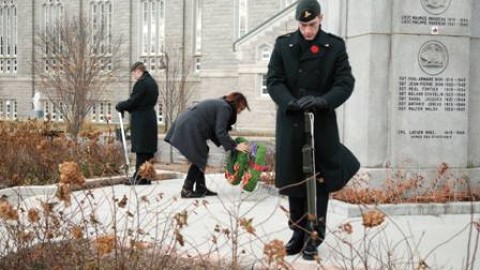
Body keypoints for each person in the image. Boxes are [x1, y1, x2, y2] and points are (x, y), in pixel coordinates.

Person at [266, 0, 360, 260]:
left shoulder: (334, 46)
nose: (307, 30)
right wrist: (290, 102)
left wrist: (323, 100)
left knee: (319, 181)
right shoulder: (283, 45)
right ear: (297, 22)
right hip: (291, 121)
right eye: (303, 25)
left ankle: (314, 235)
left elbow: (345, 82)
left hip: (321, 123)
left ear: (321, 18)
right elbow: (273, 80)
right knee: (294, 179)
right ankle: (297, 233)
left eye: (312, 24)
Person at [165, 92, 250, 198]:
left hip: (188, 124)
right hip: (190, 126)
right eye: (241, 109)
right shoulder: (225, 108)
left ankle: (201, 187)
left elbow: (215, 130)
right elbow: (220, 131)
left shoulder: (221, 104)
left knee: (202, 152)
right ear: (237, 103)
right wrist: (234, 146)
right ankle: (186, 189)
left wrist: (228, 144)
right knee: (199, 156)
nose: (239, 112)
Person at [116, 61, 159, 185]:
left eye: (134, 73)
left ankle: (139, 177)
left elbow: (134, 101)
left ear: (138, 71)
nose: (133, 76)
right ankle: (146, 176)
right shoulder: (152, 83)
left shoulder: (142, 83)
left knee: (141, 149)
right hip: (150, 117)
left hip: (141, 119)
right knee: (148, 149)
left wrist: (121, 105)